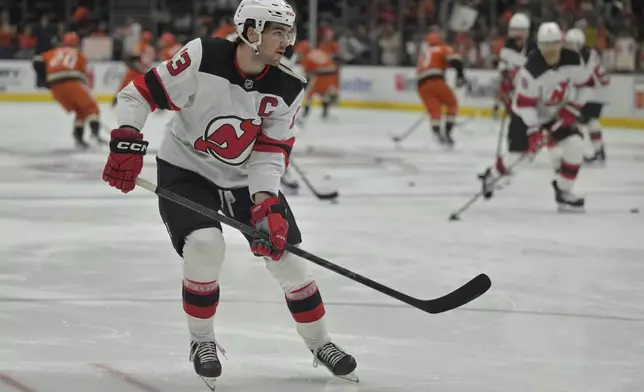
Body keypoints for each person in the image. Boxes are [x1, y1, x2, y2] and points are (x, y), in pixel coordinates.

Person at [100, 0, 357, 388]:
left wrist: (265, 201)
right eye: (277, 31)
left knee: (288, 260)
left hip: (243, 180)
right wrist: (127, 140)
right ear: (251, 31)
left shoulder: (289, 85)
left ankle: (321, 344)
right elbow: (137, 95)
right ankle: (202, 341)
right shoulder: (203, 57)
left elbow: (270, 152)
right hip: (186, 171)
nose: (286, 41)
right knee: (204, 245)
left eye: (289, 32)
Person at [484, 22, 592, 211]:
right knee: (520, 160)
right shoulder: (531, 68)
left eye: (554, 44)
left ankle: (563, 191)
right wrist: (534, 130)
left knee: (575, 145)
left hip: (554, 114)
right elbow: (526, 105)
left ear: (561, 43)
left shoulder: (574, 60)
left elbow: (587, 85)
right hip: (525, 117)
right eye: (545, 46)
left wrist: (573, 108)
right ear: (539, 46)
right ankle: (491, 175)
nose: (550, 51)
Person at [33, 32, 102, 148]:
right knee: (91, 108)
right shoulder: (79, 55)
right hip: (71, 83)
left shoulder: (53, 52)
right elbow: (81, 74)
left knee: (80, 110)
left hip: (55, 87)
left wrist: (42, 79)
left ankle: (78, 137)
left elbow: (37, 60)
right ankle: (95, 134)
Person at [488, 12, 536, 177]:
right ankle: (513, 154)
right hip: (514, 93)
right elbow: (504, 69)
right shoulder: (507, 48)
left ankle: (522, 151)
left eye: (520, 31)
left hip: (529, 93)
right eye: (514, 31)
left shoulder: (533, 48)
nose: (517, 36)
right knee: (514, 124)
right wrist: (505, 80)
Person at [564, 28, 609, 163]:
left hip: (589, 92)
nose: (569, 46)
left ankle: (585, 151)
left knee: (582, 122)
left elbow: (597, 74)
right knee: (590, 122)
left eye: (571, 43)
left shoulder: (584, 56)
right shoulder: (587, 54)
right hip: (588, 92)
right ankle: (598, 151)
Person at [416, 32, 466, 146]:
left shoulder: (425, 52)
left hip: (421, 84)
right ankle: (447, 132)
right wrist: (460, 75)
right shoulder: (443, 48)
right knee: (451, 103)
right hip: (435, 80)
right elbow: (455, 61)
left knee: (434, 108)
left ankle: (436, 131)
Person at [297, 40, 339, 122]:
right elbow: (332, 65)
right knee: (325, 95)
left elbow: (307, 73)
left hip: (319, 77)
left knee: (309, 95)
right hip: (331, 76)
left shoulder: (307, 57)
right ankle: (325, 114)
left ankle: (305, 115)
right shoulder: (320, 52)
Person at [112, 30, 155, 106]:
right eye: (143, 39)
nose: (143, 41)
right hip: (135, 70)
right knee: (124, 84)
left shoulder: (149, 49)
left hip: (141, 71)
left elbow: (146, 63)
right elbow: (132, 57)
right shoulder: (138, 46)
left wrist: (136, 60)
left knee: (146, 88)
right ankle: (116, 98)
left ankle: (154, 102)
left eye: (145, 40)